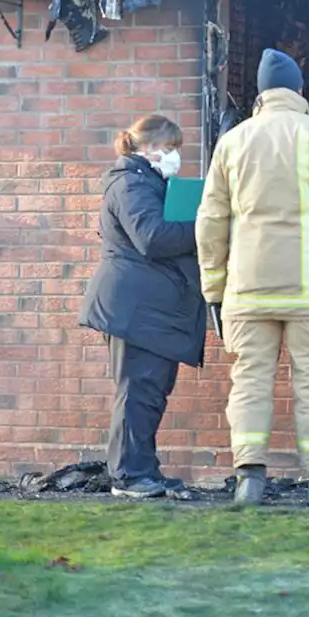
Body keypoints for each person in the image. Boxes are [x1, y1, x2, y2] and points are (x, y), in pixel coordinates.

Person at [196, 48, 309, 508]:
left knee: (250, 382)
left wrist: (213, 287)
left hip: (246, 291)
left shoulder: (232, 143)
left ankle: (249, 481)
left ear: (260, 94)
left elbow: (210, 221)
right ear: (299, 91)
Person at [80, 115, 204, 499]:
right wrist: (207, 224)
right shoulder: (130, 183)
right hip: (135, 309)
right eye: (169, 149)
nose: (174, 157)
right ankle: (130, 476)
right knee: (137, 393)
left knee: (149, 393)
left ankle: (143, 470)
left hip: (146, 308)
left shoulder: (146, 183)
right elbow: (151, 238)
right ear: (147, 147)